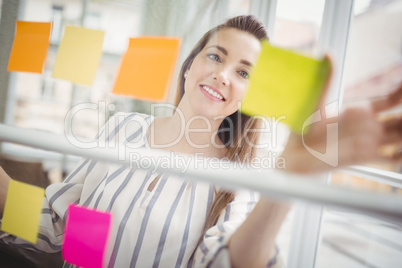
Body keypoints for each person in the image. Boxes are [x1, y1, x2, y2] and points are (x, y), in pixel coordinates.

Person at [0, 15, 402, 268]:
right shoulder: (123, 129)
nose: (224, 75)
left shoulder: (239, 179)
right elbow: (56, 227)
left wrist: (292, 175)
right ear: (191, 64)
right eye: (215, 56)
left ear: (250, 95)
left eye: (244, 73)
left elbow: (230, 262)